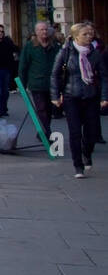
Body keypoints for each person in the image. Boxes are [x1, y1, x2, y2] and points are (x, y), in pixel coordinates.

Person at [52, 22, 107, 179]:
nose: (89, 37)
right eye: (85, 34)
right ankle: (78, 165)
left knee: (91, 132)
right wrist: (55, 95)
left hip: (91, 96)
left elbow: (104, 77)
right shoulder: (66, 53)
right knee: (75, 132)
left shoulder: (95, 54)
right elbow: (55, 74)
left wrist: (104, 97)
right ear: (76, 36)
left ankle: (87, 152)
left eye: (90, 34)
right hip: (71, 96)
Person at [17, 21, 59, 142]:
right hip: (37, 83)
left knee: (49, 109)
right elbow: (23, 66)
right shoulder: (30, 47)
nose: (44, 32)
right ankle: (46, 133)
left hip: (51, 84)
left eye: (46, 29)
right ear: (36, 32)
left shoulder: (54, 46)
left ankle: (43, 130)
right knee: (41, 109)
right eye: (41, 30)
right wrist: (22, 85)